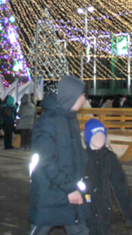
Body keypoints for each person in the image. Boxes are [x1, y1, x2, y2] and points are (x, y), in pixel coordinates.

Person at [28, 75, 89, 235]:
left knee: (80, 230)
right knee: (41, 229)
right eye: (82, 95)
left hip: (69, 189)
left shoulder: (70, 118)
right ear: (71, 96)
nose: (84, 99)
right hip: (51, 192)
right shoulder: (48, 121)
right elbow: (46, 161)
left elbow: (76, 154)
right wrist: (69, 187)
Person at [83, 119, 132, 235]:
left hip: (103, 209)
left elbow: (121, 186)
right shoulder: (81, 157)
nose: (99, 138)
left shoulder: (110, 158)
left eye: (102, 134)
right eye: (95, 135)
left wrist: (127, 213)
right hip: (83, 209)